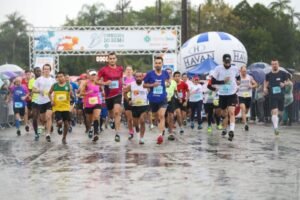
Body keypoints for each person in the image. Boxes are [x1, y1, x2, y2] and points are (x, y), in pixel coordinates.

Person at [211, 54, 240, 141]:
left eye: (229, 62)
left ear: (230, 61)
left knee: (231, 112)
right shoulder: (218, 69)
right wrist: (223, 81)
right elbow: (213, 81)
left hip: (232, 93)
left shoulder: (235, 68)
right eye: (226, 62)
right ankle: (225, 128)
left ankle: (231, 130)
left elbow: (238, 76)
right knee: (224, 113)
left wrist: (238, 81)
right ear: (223, 61)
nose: (227, 64)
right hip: (222, 94)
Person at [144, 56, 170, 144]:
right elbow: (144, 85)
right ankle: (161, 129)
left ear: (162, 64)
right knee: (156, 117)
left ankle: (160, 135)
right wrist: (152, 85)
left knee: (161, 115)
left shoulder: (165, 73)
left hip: (163, 98)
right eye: (156, 63)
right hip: (153, 99)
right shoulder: (150, 74)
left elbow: (168, 81)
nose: (158, 64)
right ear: (154, 64)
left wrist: (168, 83)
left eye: (159, 63)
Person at [98, 52, 123, 142]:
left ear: (116, 59)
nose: (112, 60)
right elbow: (96, 81)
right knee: (111, 113)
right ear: (108, 60)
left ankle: (117, 133)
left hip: (118, 93)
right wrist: (104, 83)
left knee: (117, 112)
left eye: (113, 58)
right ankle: (112, 119)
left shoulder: (120, 68)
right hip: (108, 95)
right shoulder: (103, 70)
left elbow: (120, 79)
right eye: (110, 58)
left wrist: (122, 85)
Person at [32, 64, 56, 142]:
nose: (46, 70)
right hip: (41, 101)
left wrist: (54, 99)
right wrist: (40, 91)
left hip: (50, 101)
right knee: (43, 119)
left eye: (48, 69)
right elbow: (33, 90)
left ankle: (48, 134)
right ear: (43, 70)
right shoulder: (39, 79)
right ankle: (42, 128)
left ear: (50, 70)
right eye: (45, 69)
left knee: (48, 117)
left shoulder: (53, 80)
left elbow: (56, 91)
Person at [123, 72, 149, 144]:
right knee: (135, 124)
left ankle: (141, 138)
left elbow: (150, 92)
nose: (138, 78)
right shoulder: (132, 85)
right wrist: (128, 100)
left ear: (142, 77)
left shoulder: (146, 84)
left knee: (142, 120)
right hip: (134, 106)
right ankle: (137, 128)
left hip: (144, 106)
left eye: (140, 76)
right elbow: (124, 92)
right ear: (135, 78)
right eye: (137, 77)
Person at [264, 59, 288, 135]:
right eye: (273, 64)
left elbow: (289, 82)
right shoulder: (268, 75)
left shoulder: (283, 73)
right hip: (272, 96)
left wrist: (284, 84)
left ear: (278, 64)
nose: (274, 65)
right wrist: (265, 88)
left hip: (281, 96)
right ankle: (276, 128)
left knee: (280, 112)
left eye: (276, 64)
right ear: (271, 65)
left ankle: (277, 120)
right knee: (274, 112)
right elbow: (266, 82)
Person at [48, 71, 72, 144]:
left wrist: (71, 97)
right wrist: (51, 100)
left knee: (66, 123)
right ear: (57, 78)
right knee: (59, 121)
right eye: (58, 77)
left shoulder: (68, 86)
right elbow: (49, 93)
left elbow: (71, 95)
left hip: (66, 107)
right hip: (57, 107)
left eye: (61, 76)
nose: (60, 78)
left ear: (64, 77)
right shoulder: (54, 85)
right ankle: (59, 126)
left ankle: (64, 138)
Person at [80, 70, 102, 142]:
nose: (93, 76)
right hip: (88, 104)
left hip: (97, 103)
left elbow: (101, 90)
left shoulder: (98, 83)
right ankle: (91, 128)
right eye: (92, 75)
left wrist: (104, 94)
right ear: (89, 76)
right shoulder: (86, 83)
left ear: (96, 76)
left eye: (94, 75)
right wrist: (87, 93)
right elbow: (81, 93)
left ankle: (95, 134)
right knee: (90, 120)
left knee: (96, 117)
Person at [237, 66, 257, 131]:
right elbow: (234, 84)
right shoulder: (238, 77)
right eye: (243, 71)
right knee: (243, 108)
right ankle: (245, 124)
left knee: (246, 110)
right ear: (240, 71)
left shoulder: (249, 77)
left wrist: (251, 86)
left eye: (245, 71)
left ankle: (243, 117)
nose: (244, 72)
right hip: (240, 95)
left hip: (248, 95)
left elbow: (256, 84)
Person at [28, 67, 42, 140]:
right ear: (34, 72)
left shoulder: (43, 80)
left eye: (40, 71)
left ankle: (40, 130)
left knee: (41, 118)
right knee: (34, 117)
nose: (39, 72)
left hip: (43, 100)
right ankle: (36, 133)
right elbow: (31, 91)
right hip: (34, 100)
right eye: (37, 71)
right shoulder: (31, 81)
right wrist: (30, 95)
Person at [123, 66, 135, 139]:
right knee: (129, 118)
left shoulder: (135, 79)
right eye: (127, 70)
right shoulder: (123, 79)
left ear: (132, 71)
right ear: (125, 71)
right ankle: (131, 131)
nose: (128, 71)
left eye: (130, 70)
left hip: (135, 99)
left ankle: (136, 126)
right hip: (126, 98)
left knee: (135, 118)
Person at [165, 68, 177, 139]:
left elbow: (175, 92)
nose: (168, 74)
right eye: (167, 72)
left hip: (171, 100)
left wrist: (178, 98)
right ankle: (165, 127)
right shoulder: (162, 81)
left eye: (170, 73)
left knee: (171, 116)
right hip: (163, 100)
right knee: (163, 116)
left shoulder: (174, 82)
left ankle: (171, 132)